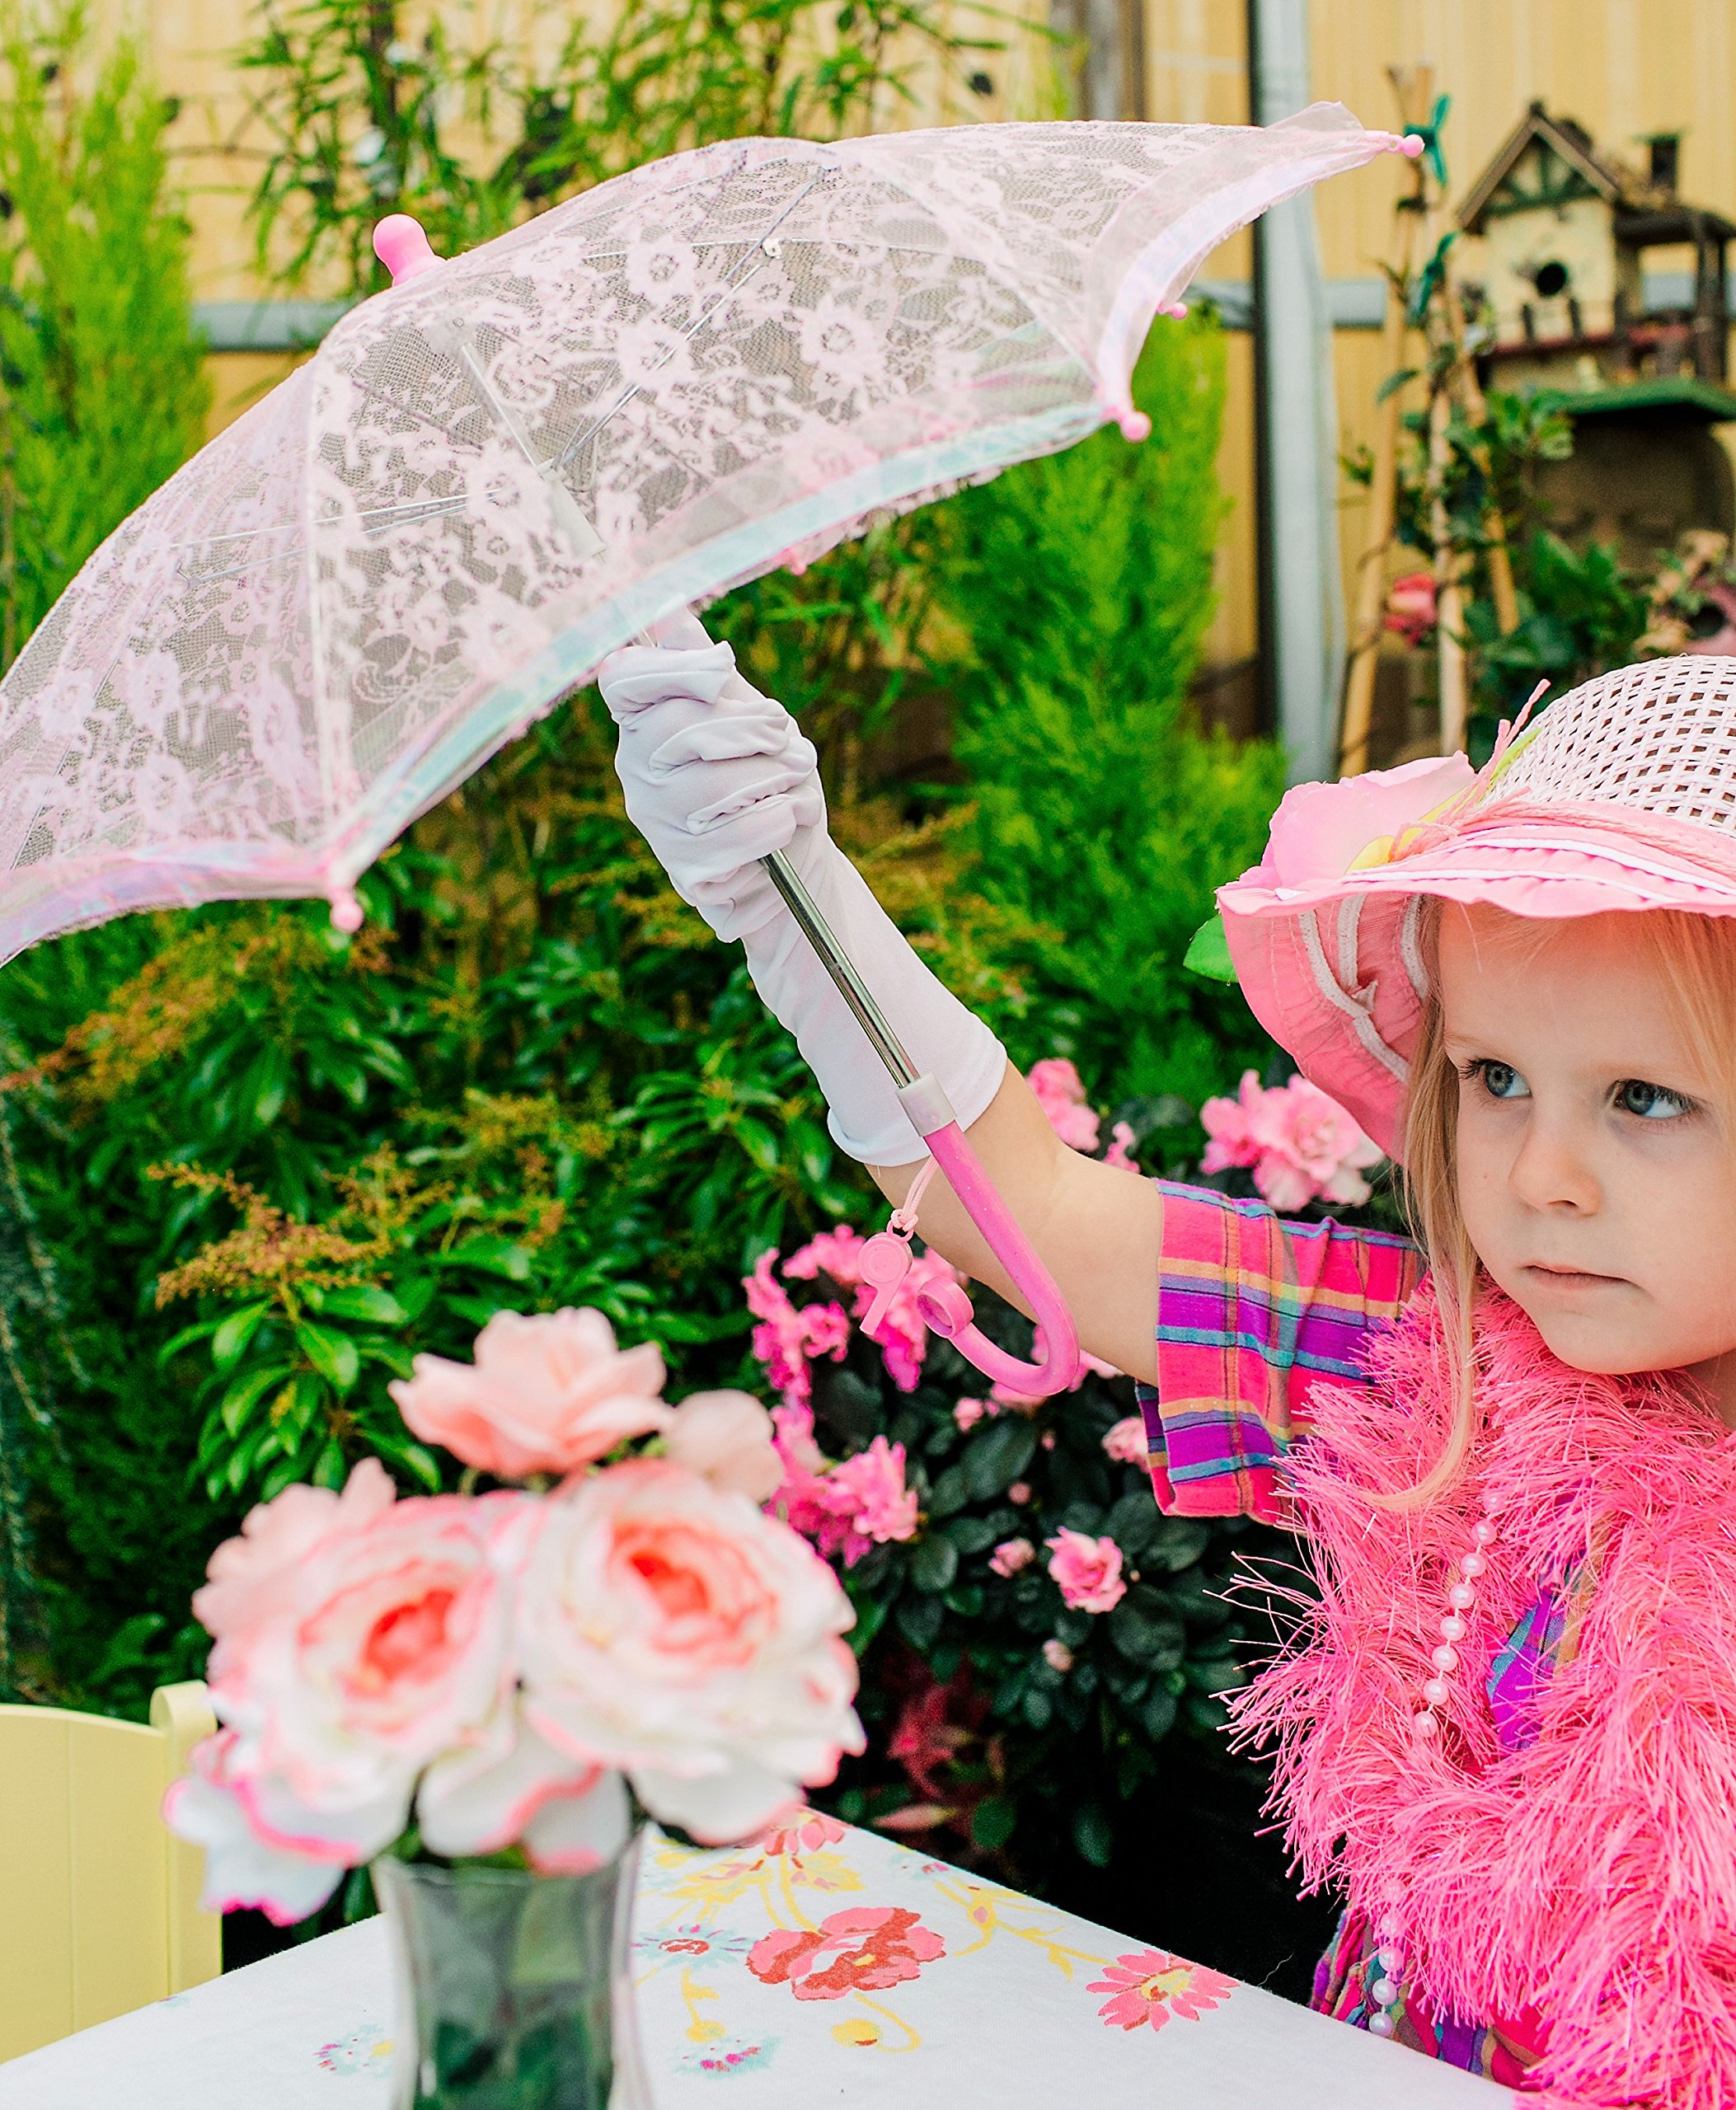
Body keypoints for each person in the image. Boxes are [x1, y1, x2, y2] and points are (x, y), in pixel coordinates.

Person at [600, 623, 1736, 2105]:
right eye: (1495, 1078)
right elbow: (1047, 1219)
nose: (1542, 1176)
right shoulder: (1437, 1368)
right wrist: (792, 905)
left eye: (1644, 1095)